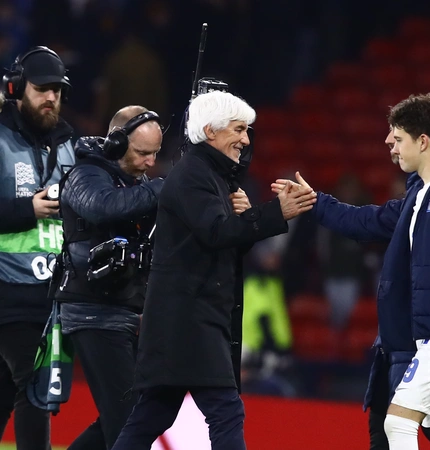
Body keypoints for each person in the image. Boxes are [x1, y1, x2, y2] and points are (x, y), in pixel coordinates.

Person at [273, 93, 430, 450]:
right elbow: (366, 221)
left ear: (423, 141)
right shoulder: (420, 194)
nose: (390, 142)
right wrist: (315, 202)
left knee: (398, 423)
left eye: (398, 137)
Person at [111, 90, 317, 450]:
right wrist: (273, 213)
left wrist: (248, 216)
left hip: (187, 319)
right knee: (225, 412)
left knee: (153, 415)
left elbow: (224, 242)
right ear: (210, 131)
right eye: (238, 129)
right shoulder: (194, 175)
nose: (246, 140)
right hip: (191, 320)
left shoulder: (212, 176)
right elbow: (217, 233)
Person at [56, 105, 164, 449]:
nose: (150, 162)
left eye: (155, 153)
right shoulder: (85, 173)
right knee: (129, 421)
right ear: (117, 143)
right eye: (143, 152)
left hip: (123, 309)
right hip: (92, 310)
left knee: (126, 418)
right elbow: (102, 206)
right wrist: (160, 189)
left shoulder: (136, 184)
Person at [0, 46, 74, 449]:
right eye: (42, 89)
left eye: (56, 91)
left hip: (49, 297)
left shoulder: (69, 146)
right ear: (16, 88)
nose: (50, 98)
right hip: (8, 294)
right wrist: (26, 209)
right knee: (35, 386)